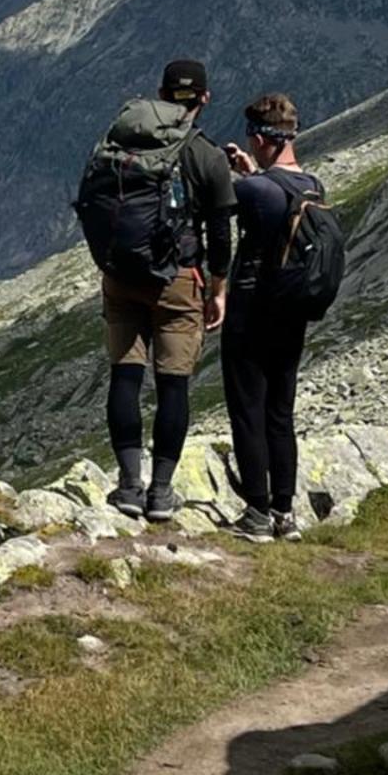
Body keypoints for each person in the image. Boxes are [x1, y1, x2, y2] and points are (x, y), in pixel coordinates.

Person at [80, 58, 236, 523]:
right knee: (173, 385)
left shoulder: (121, 141)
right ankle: (161, 493)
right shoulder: (206, 155)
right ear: (203, 99)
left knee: (125, 377)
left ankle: (128, 485)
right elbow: (221, 233)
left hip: (121, 278)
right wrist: (217, 288)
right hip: (178, 283)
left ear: (161, 94)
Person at [221, 93, 323, 543]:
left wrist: (242, 176)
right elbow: (273, 196)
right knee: (280, 413)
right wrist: (254, 171)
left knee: (248, 411)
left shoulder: (252, 190)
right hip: (292, 314)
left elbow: (224, 208)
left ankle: (256, 515)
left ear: (261, 138)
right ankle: (285, 513)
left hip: (250, 312)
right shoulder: (313, 186)